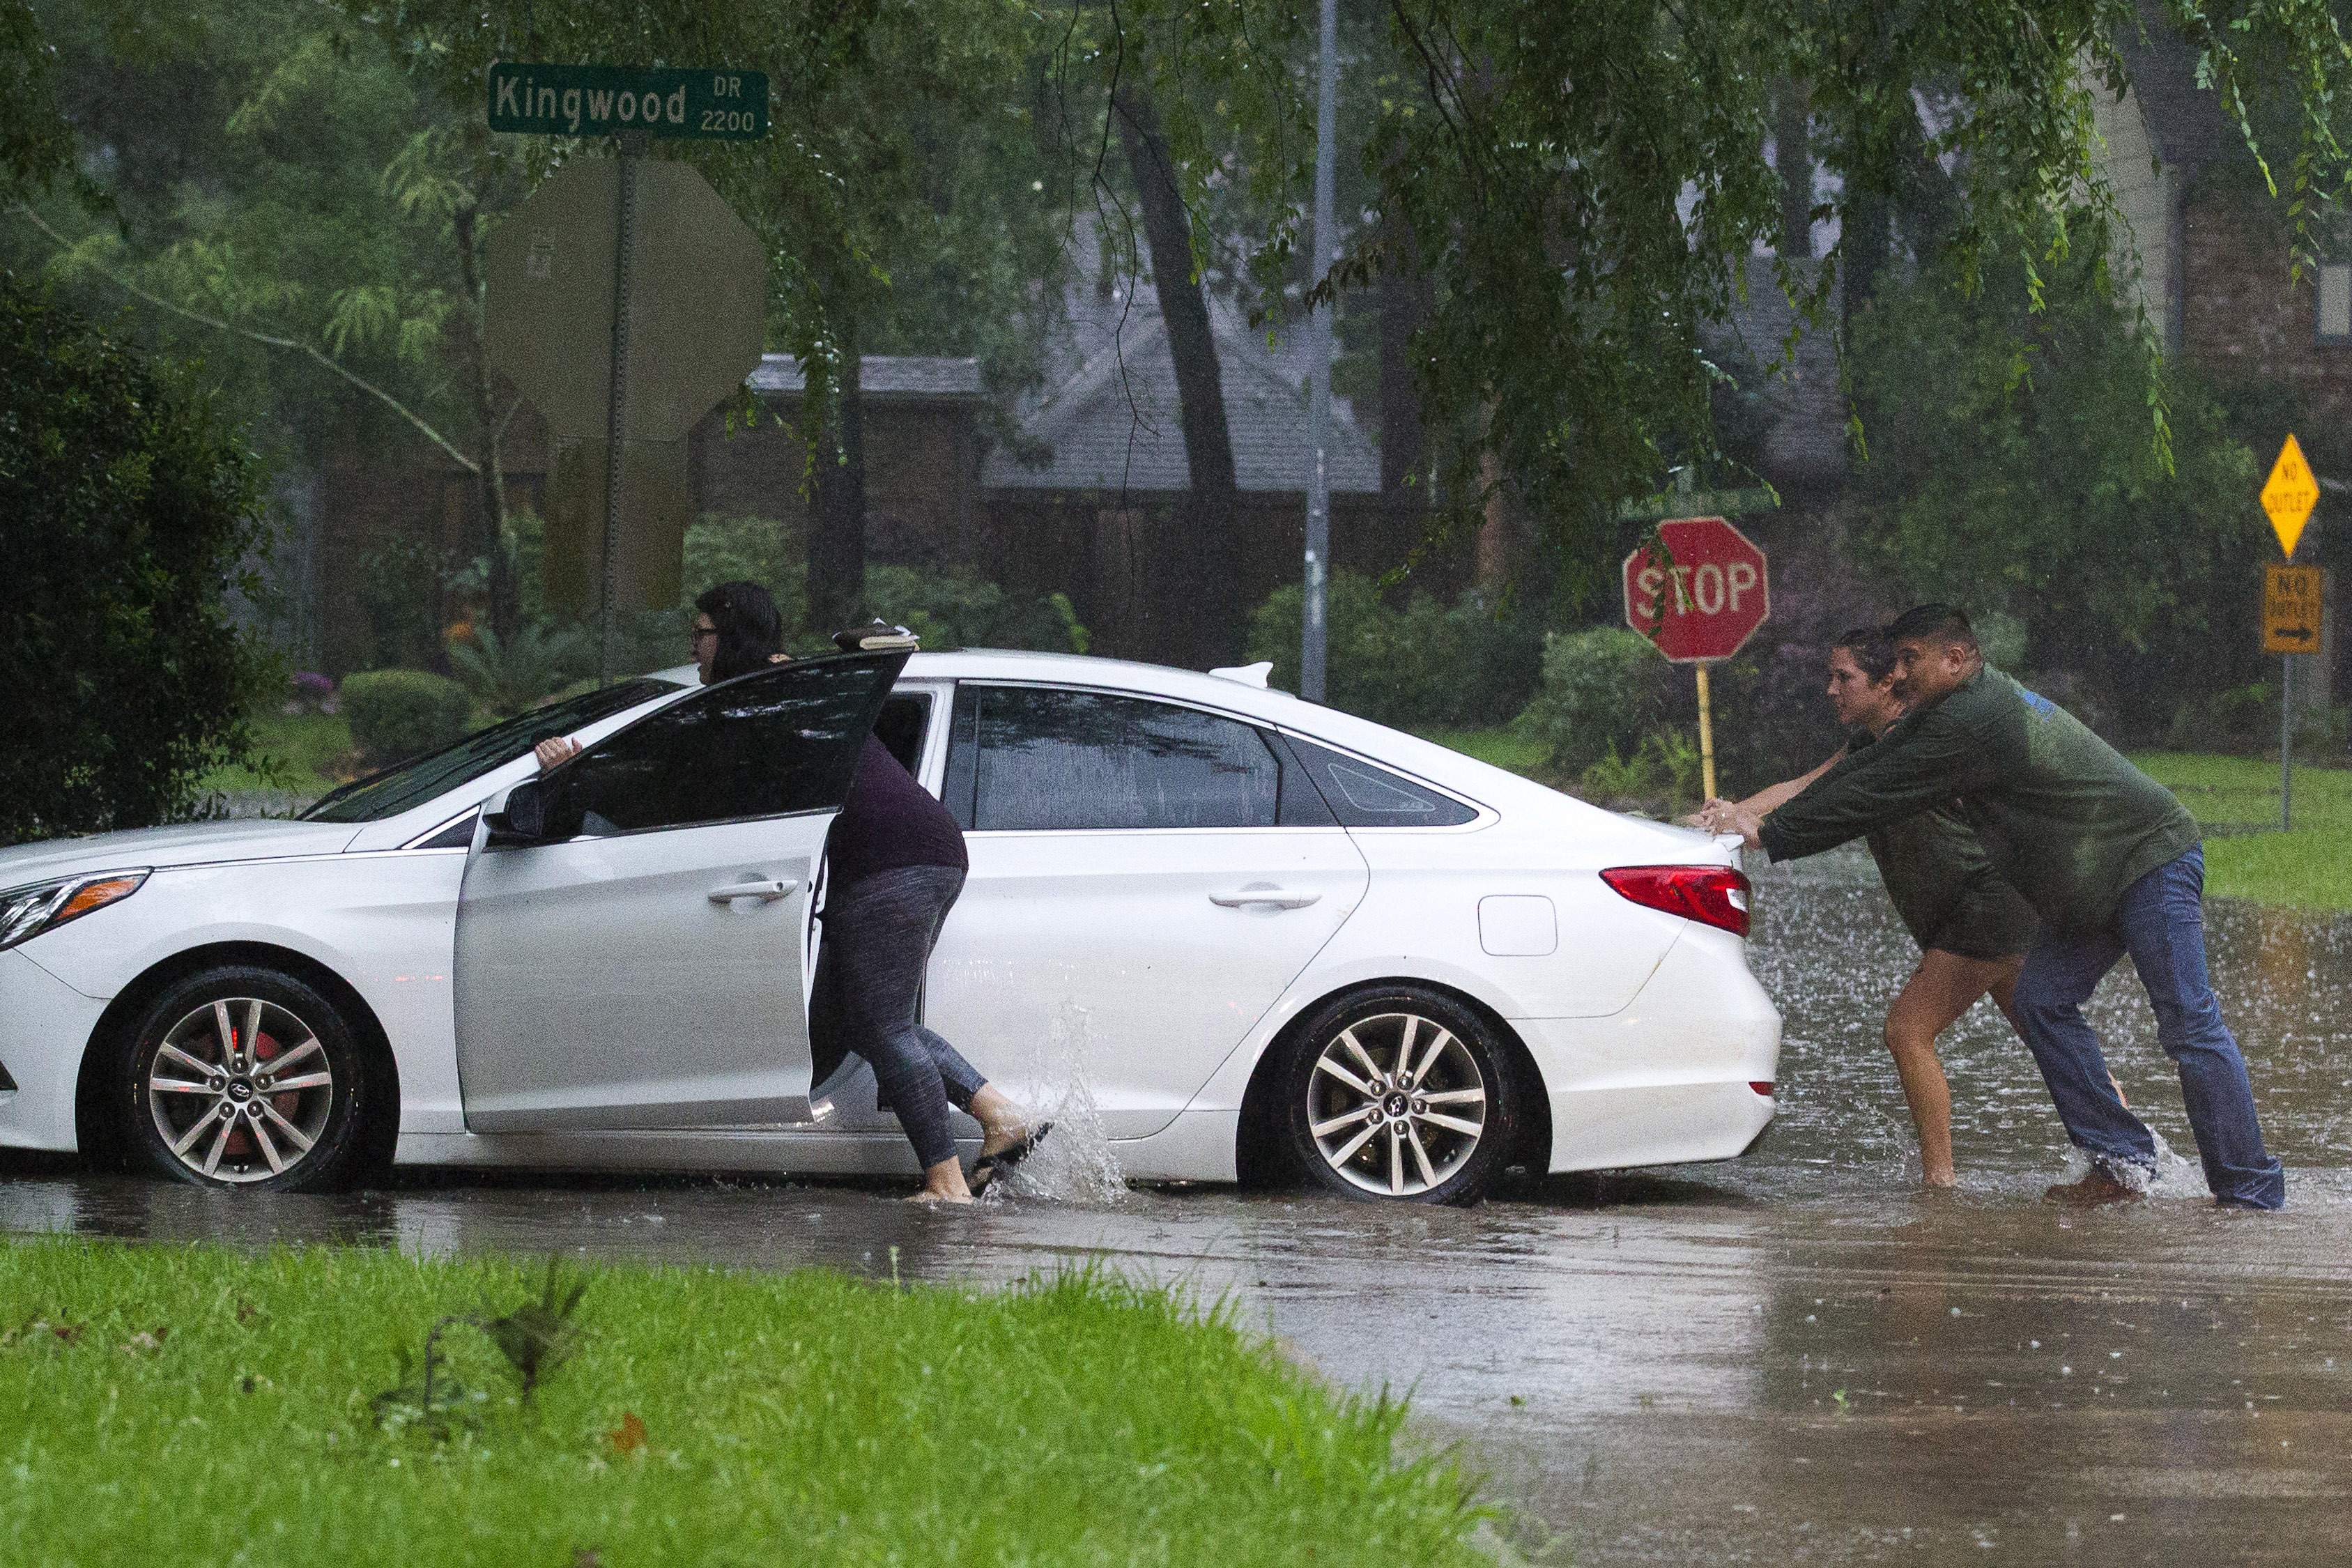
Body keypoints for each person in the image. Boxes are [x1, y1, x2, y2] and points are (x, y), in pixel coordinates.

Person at [1724, 604, 2284, 1210]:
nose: (1900, 674)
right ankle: (2120, 1165)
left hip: (2148, 860)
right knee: (2042, 1000)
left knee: (2188, 1026)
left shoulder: (1970, 720)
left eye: (1911, 659)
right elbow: (1864, 770)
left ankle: (2248, 1191)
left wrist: (1771, 835)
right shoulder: (1945, 712)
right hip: (2086, 882)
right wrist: (1756, 818)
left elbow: (1872, 793)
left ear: (1956, 660)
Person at [537, 581, 1046, 1203]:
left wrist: (577, 772)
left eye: (700, 635)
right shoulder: (771, 689)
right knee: (862, 1021)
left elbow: (678, 777)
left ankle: (944, 1181)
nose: (694, 648)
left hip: (894, 857)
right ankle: (999, 1114)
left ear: (730, 637)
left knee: (881, 1025)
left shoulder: (766, 696)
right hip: (904, 852)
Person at [1696, 627, 2045, 1187]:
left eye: (1844, 678)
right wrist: (1729, 814)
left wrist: (1761, 831)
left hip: (1982, 907)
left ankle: (1939, 1185)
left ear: (1888, 685)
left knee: (1907, 1031)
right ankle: (2127, 1152)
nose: (1831, 690)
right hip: (1990, 908)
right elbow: (1806, 784)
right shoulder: (1869, 742)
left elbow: (1835, 807)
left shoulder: (1912, 744)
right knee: (2048, 1036)